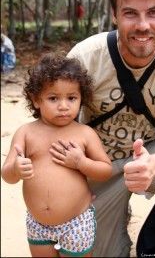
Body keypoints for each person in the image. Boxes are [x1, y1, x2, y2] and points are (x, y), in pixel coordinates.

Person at [49, 0, 155, 257]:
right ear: (115, 14)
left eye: (154, 12)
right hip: (93, 162)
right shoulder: (85, 57)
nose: (143, 25)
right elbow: (53, 132)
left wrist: (154, 164)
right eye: (130, 13)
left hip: (150, 152)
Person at [1, 55, 112, 257]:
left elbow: (105, 170)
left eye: (72, 98)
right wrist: (16, 169)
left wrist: (81, 162)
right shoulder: (26, 133)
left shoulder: (84, 134)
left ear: (81, 98)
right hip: (37, 223)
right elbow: (7, 175)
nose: (63, 106)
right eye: (53, 98)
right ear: (36, 100)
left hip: (77, 221)